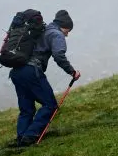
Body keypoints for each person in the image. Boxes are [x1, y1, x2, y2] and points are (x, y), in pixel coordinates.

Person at [9, 10, 80, 147]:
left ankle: (22, 138)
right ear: (63, 26)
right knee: (50, 105)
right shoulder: (56, 34)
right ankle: (31, 135)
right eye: (68, 30)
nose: (67, 33)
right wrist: (72, 72)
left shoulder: (42, 29)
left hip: (17, 71)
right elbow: (59, 55)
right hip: (32, 72)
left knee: (27, 109)